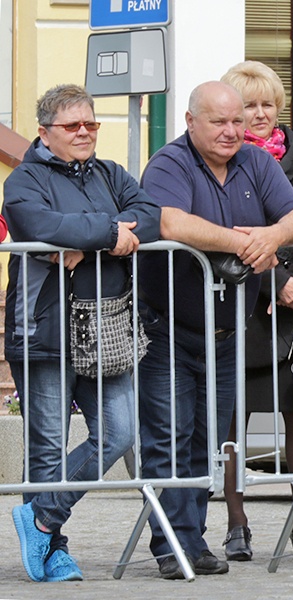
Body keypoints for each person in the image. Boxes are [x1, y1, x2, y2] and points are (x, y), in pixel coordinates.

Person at [138, 81, 293, 579]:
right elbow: (170, 222)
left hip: (225, 333)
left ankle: (191, 541)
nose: (232, 130)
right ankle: (173, 544)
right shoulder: (169, 162)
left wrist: (272, 235)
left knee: (205, 442)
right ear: (191, 121)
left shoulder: (257, 162)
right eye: (219, 121)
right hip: (166, 327)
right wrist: (240, 244)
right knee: (168, 440)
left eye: (238, 120)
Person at [3, 84, 160, 582]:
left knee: (119, 432)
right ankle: (54, 553)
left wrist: (83, 236)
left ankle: (43, 517)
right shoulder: (24, 178)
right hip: (44, 326)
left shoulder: (111, 173)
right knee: (47, 446)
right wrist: (111, 234)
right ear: (45, 132)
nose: (85, 133)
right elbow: (34, 222)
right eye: (73, 126)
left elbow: (152, 217)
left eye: (91, 124)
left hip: (106, 327)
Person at [218, 61, 293, 563]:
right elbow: (224, 235)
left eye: (268, 105)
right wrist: (274, 279)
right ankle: (235, 522)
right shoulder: (221, 160)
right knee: (232, 422)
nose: (259, 115)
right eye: (249, 106)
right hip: (239, 306)